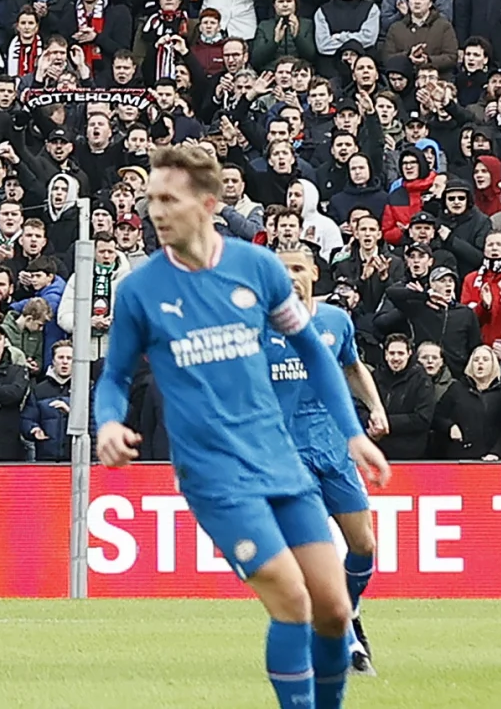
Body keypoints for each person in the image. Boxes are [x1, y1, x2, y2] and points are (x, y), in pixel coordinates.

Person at [94, 140, 385, 709]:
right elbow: (113, 377)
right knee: (291, 601)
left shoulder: (258, 270)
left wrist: (352, 430)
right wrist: (108, 422)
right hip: (215, 476)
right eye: (150, 199)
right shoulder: (139, 291)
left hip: (279, 460)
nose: (154, 211)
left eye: (167, 199)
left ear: (206, 204)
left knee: (331, 607)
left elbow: (316, 351)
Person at [271, 239, 387, 671]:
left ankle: (350, 613)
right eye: (282, 271)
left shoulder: (336, 321)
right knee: (313, 554)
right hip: (286, 459)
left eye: (298, 269)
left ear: (314, 274)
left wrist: (374, 407)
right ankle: (343, 644)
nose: (291, 278)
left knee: (363, 546)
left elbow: (353, 366)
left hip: (333, 452)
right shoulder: (256, 328)